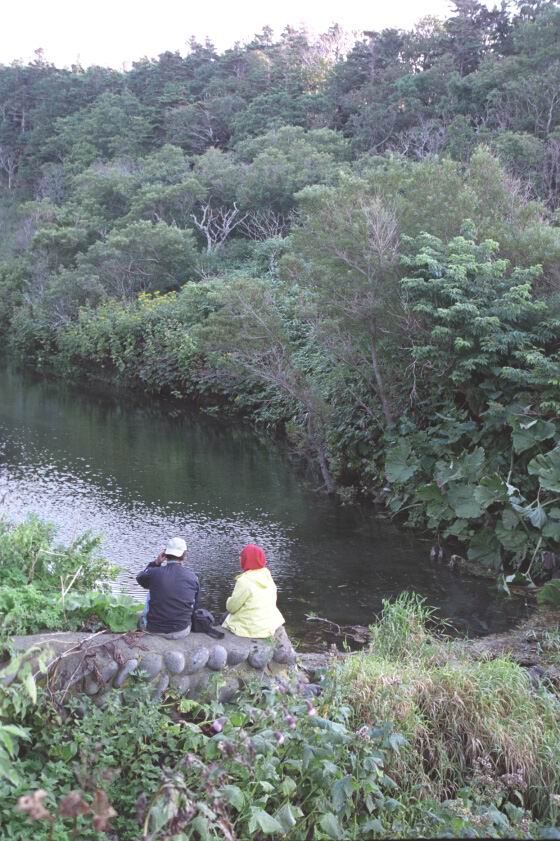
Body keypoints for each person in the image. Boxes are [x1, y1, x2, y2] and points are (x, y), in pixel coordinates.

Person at [136, 537, 199, 639]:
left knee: (152, 588)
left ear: (165, 554)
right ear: (184, 556)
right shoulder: (193, 577)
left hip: (153, 629)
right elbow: (195, 605)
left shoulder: (154, 572)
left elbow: (140, 578)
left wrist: (155, 563)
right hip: (181, 631)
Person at [222, 544, 284, 638]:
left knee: (225, 616)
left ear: (247, 560)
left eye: (242, 556)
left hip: (251, 628)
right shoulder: (267, 576)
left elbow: (232, 607)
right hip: (268, 625)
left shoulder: (244, 581)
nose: (239, 558)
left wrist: (229, 600)